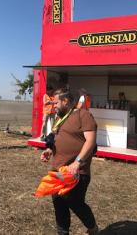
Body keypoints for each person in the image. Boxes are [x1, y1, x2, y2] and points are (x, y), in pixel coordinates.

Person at [40, 89, 98, 235]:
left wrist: (77, 162)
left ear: (65, 101)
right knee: (58, 203)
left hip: (77, 171)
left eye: (56, 102)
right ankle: (62, 232)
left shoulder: (83, 115)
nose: (54, 106)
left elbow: (91, 141)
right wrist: (49, 151)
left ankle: (92, 228)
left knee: (75, 202)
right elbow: (59, 140)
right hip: (58, 171)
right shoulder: (60, 118)